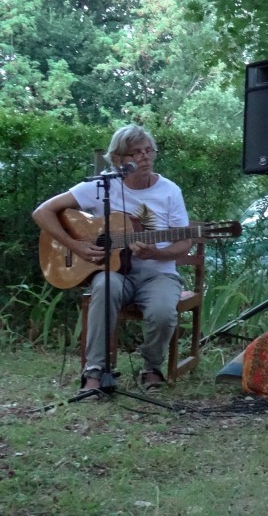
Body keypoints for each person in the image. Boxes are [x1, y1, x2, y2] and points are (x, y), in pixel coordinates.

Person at [33, 125, 190, 395]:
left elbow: (186, 241)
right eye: (136, 152)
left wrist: (157, 253)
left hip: (158, 273)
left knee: (163, 313)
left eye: (148, 150)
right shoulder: (99, 187)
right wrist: (76, 246)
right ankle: (95, 371)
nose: (145, 156)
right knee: (105, 285)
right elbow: (42, 212)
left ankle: (151, 367)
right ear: (118, 159)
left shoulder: (169, 191)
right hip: (115, 273)